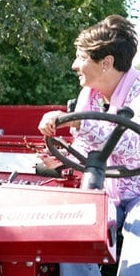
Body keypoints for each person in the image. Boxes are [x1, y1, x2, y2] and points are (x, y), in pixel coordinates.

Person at [38, 14, 140, 276]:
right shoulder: (89, 95)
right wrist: (62, 156)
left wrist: (79, 124)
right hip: (107, 192)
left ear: (106, 63)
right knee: (72, 233)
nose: (74, 65)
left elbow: (133, 147)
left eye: (81, 58)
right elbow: (89, 149)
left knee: (134, 259)